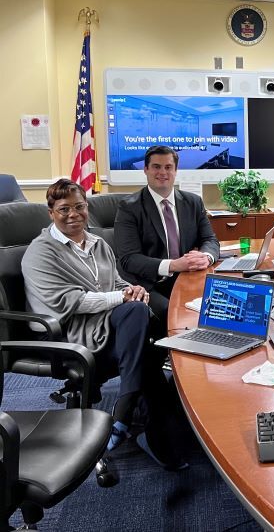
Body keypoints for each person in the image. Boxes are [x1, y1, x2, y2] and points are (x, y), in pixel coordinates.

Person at [22, 179, 186, 470]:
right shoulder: (40, 252)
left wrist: (134, 290)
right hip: (73, 335)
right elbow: (68, 302)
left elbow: (117, 283)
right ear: (51, 213)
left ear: (87, 207)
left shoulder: (98, 243)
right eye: (63, 209)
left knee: (141, 328)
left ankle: (154, 431)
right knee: (142, 337)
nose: (73, 214)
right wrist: (123, 297)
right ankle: (133, 412)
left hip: (110, 326)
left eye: (79, 207)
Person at [114, 145, 219, 328]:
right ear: (145, 170)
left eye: (168, 167)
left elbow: (210, 240)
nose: (162, 172)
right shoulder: (129, 207)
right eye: (156, 166)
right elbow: (128, 259)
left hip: (187, 278)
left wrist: (206, 257)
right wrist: (173, 265)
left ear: (175, 170)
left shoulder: (192, 202)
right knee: (176, 314)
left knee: (218, 307)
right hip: (149, 284)